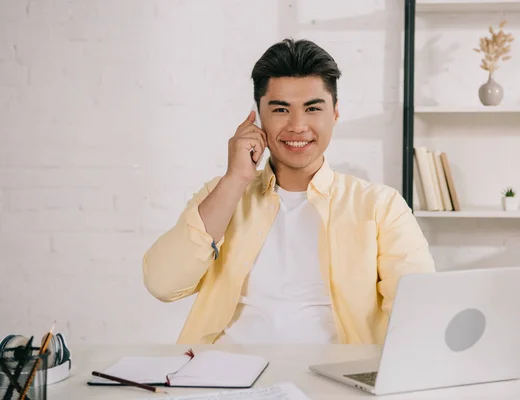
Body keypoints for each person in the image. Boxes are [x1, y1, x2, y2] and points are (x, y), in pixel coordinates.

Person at [142, 38, 435, 345]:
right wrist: (235, 179)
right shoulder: (224, 192)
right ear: (258, 117)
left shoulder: (379, 205)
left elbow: (418, 308)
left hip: (332, 383)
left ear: (335, 113)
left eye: (312, 109)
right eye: (281, 109)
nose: (297, 126)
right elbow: (163, 284)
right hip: (227, 376)